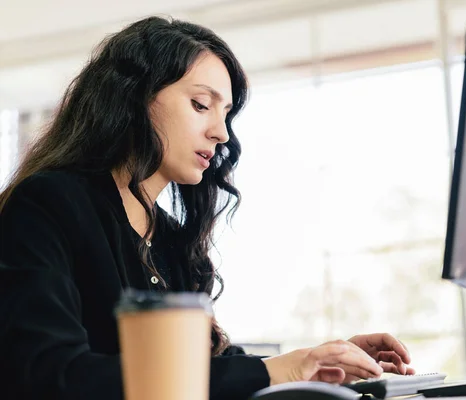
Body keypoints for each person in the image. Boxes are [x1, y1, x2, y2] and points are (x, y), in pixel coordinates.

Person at [0, 16, 414, 400]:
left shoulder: (167, 237)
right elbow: (49, 375)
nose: (219, 132)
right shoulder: (48, 203)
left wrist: (321, 361)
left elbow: (205, 369)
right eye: (201, 105)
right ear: (133, 98)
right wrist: (278, 371)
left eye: (225, 113)